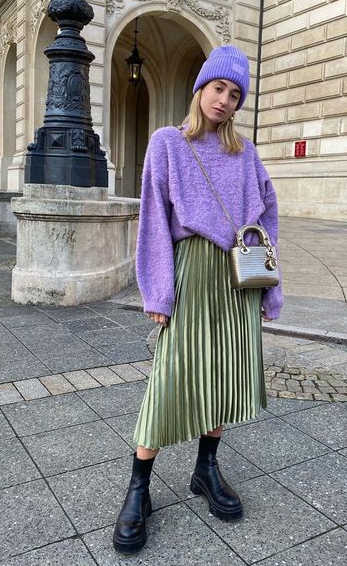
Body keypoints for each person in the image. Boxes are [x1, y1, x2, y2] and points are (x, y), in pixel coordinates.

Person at [113, 45, 283, 554]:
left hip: (236, 278)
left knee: (226, 375)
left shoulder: (246, 153)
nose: (226, 100)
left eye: (235, 94)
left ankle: (206, 469)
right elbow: (153, 224)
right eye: (219, 88)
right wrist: (159, 291)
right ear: (200, 89)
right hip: (190, 272)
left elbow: (267, 218)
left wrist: (270, 289)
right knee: (170, 377)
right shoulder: (168, 143)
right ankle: (139, 486)